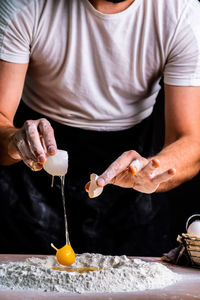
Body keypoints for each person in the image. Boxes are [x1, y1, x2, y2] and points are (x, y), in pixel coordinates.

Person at [0, 0, 200, 256]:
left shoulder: (179, 12)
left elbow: (190, 141)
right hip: (34, 179)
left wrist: (151, 171)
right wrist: (15, 142)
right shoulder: (24, 5)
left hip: (133, 169)